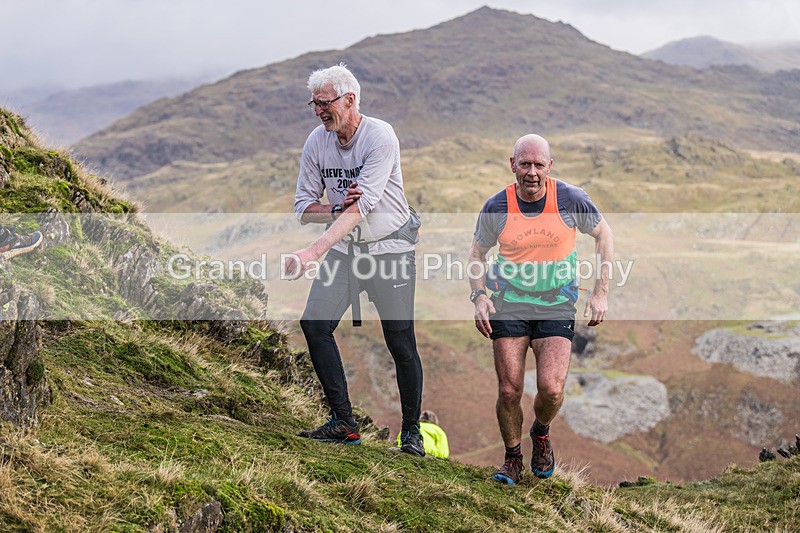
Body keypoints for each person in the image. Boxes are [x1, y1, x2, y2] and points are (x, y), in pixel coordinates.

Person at [284, 64, 425, 456]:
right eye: (314, 104)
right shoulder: (316, 142)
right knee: (314, 324)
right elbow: (303, 208)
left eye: (325, 103)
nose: (318, 111)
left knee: (400, 342)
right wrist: (331, 209)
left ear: (350, 100)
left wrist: (313, 251)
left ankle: (411, 433)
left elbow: (361, 207)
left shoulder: (380, 136)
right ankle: (344, 422)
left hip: (389, 250)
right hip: (346, 252)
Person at [468, 134, 613, 484]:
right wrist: (480, 296)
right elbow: (476, 255)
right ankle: (513, 459)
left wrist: (600, 292)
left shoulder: (569, 198)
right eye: (524, 164)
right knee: (508, 390)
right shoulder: (496, 206)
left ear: (550, 166)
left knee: (551, 389)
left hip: (556, 303)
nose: (531, 172)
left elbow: (604, 235)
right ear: (512, 165)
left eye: (538, 165)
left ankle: (541, 433)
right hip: (509, 303)